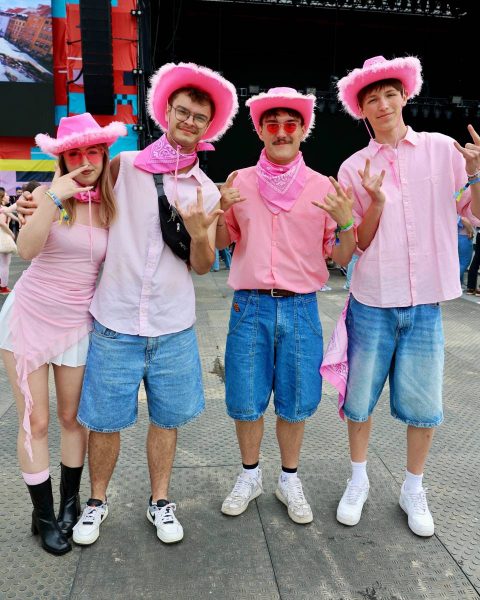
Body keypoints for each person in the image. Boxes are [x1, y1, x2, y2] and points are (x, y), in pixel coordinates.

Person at [55, 63, 237, 546]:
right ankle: (97, 501)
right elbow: (82, 198)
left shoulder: (206, 188)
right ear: (166, 112)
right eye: (183, 111)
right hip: (114, 321)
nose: (190, 121)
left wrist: (202, 235)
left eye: (201, 116)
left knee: (166, 420)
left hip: (172, 324)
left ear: (210, 125)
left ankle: (160, 501)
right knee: (104, 422)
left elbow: (202, 266)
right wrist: (41, 202)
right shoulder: (126, 166)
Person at [334, 55, 480, 537]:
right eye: (370, 99)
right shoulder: (354, 166)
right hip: (373, 298)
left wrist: (477, 174)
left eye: (388, 94)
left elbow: (474, 214)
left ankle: (412, 486)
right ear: (361, 110)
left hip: (425, 305)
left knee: (424, 406)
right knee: (359, 402)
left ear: (405, 96)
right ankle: (358, 480)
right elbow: (357, 243)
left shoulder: (443, 149)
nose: (381, 104)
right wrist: (374, 202)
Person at [216, 87, 356, 524]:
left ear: (303, 131)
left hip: (300, 308)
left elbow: (341, 256)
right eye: (271, 124)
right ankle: (250, 475)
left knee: (296, 402)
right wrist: (219, 213)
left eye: (290, 124)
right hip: (250, 306)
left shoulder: (323, 187)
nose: (281, 132)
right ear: (259, 129)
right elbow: (223, 243)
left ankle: (289, 479)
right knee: (246, 398)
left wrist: (348, 219)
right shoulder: (238, 181)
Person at [0, 113, 127, 555]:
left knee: (73, 419)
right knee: (34, 420)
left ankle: (70, 504)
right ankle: (44, 516)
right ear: (63, 156)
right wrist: (55, 195)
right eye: (76, 152)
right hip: (28, 318)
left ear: (103, 154)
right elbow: (27, 251)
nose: (86, 160)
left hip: (77, 324)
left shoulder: (113, 205)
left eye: (93, 152)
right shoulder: (47, 195)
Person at [458, 215, 474, 285]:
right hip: (464, 237)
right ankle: (453, 282)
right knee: (464, 262)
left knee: (459, 262)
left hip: (457, 236)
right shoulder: (463, 210)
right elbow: (464, 219)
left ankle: (459, 283)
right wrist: (471, 231)